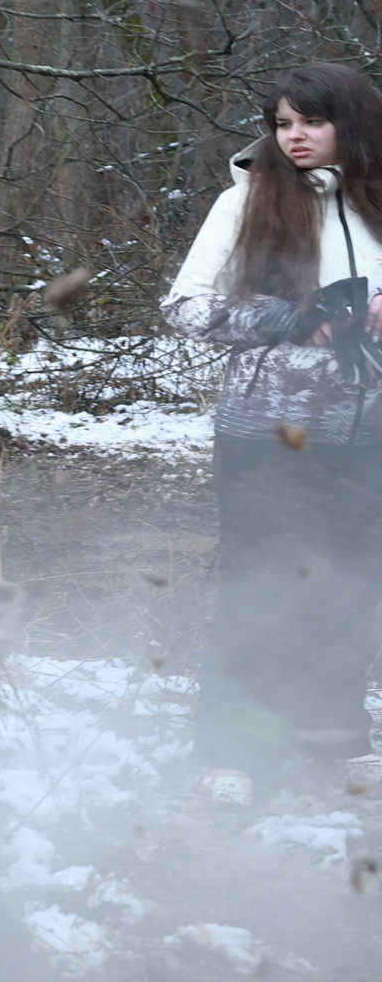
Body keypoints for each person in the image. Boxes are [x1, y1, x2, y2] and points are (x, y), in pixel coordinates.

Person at [163, 61, 382, 798]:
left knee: (349, 586)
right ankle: (234, 750)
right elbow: (186, 308)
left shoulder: (377, 200)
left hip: (366, 432)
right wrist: (290, 318)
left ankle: (333, 734)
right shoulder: (244, 202)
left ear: (347, 124)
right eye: (283, 123)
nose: (294, 137)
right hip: (266, 431)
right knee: (259, 583)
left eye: (311, 122)